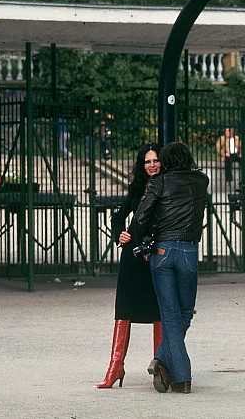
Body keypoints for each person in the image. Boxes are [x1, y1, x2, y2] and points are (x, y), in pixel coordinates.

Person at [129, 141, 209, 395]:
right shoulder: (201, 181)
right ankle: (163, 363)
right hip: (189, 251)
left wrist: (142, 243)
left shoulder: (159, 183)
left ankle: (177, 373)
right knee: (185, 313)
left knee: (171, 315)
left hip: (162, 251)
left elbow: (140, 219)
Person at [96, 142, 163, 389]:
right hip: (132, 255)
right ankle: (115, 367)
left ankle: (160, 368)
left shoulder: (168, 186)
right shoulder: (136, 189)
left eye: (155, 160)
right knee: (123, 309)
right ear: (141, 165)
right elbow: (117, 217)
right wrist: (119, 234)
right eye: (147, 161)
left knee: (159, 311)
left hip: (156, 253)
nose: (152, 165)